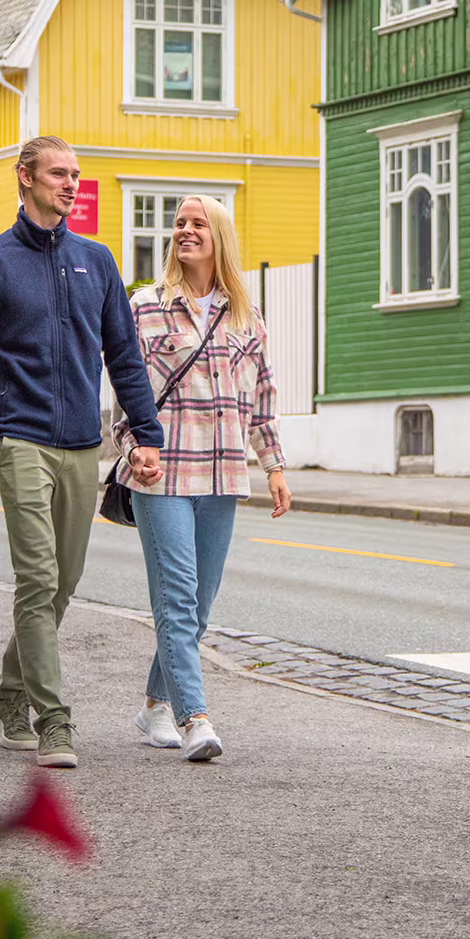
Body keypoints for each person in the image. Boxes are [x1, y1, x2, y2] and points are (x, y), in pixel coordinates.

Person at [0, 136, 163, 770]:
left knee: (63, 582)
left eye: (76, 175)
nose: (71, 184)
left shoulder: (97, 261)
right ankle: (53, 720)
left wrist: (147, 434)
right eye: (59, 174)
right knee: (36, 579)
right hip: (19, 438)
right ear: (25, 179)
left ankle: (10, 692)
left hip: (82, 445)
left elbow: (124, 356)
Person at [121, 195, 290, 762]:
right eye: (179, 224)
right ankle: (194, 717)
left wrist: (274, 466)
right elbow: (126, 391)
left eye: (197, 224)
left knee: (198, 604)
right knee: (175, 595)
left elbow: (261, 397)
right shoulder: (144, 307)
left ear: (219, 236)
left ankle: (152, 706)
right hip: (162, 473)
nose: (185, 231)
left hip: (222, 473)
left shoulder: (247, 315)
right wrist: (133, 445)